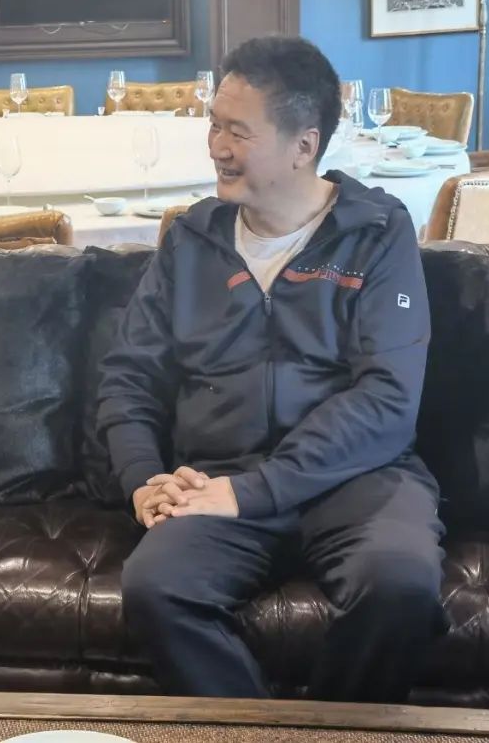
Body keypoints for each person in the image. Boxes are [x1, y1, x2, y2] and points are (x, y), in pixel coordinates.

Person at [97, 36, 447, 702]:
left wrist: (257, 490)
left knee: (399, 585)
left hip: (357, 478)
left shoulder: (377, 233)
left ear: (303, 146)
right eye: (213, 125)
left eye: (239, 132)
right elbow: (128, 378)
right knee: (155, 588)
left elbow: (387, 397)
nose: (217, 147)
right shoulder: (191, 241)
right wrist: (143, 481)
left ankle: (331, 734)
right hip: (216, 476)